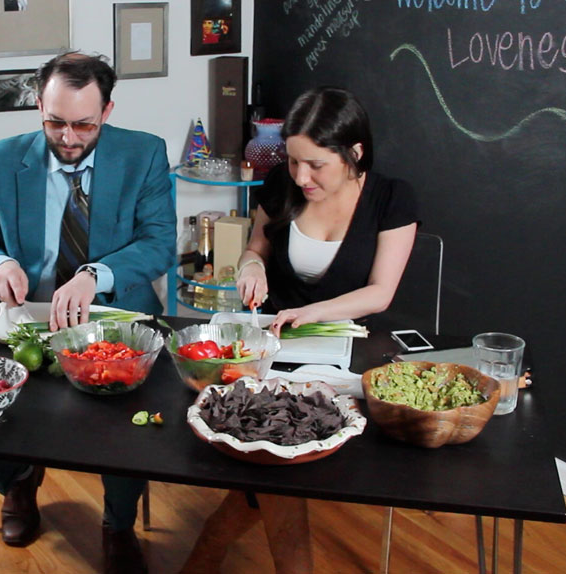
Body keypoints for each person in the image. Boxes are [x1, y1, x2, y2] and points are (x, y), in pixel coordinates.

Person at [179, 86, 418, 574]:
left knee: (274, 462)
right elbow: (255, 249)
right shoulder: (281, 185)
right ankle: (210, 555)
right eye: (292, 161)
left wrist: (314, 312)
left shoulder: (392, 198)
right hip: (273, 351)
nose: (301, 176)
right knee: (276, 455)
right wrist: (251, 267)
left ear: (354, 153)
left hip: (347, 358)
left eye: (315, 165)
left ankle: (206, 554)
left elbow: (380, 293)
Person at [0, 51, 175, 574]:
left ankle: (118, 523)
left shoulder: (144, 153)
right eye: (55, 121)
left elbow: (160, 244)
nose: (68, 137)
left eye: (84, 124)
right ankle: (17, 483)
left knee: (126, 424)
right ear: (39, 106)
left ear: (107, 111)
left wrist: (95, 274)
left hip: (117, 320)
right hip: (28, 321)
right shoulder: (0, 159)